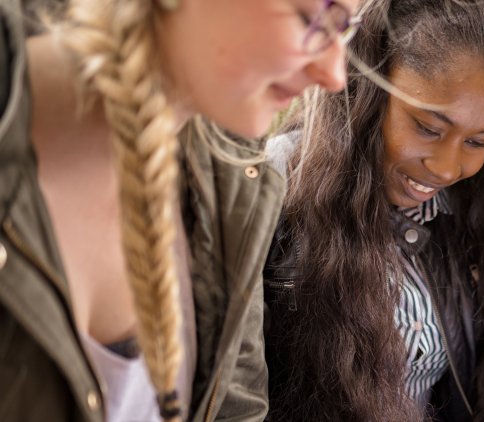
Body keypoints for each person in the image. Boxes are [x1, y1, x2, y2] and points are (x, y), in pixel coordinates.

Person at [0, 0, 355, 419]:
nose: (334, 75)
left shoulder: (236, 177)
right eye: (312, 20)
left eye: (347, 27)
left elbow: (237, 405)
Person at [262, 0, 484, 420]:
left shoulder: (473, 208)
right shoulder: (274, 195)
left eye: (477, 141)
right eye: (429, 128)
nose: (447, 167)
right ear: (365, 91)